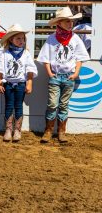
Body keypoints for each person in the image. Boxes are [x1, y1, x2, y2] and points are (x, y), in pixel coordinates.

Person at [37, 7, 89, 143]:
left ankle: (61, 131)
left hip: (68, 76)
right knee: (53, 104)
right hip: (56, 75)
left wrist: (76, 73)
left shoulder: (75, 38)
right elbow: (45, 58)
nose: (70, 23)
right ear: (59, 23)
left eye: (71, 21)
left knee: (64, 104)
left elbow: (80, 58)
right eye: (66, 21)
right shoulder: (52, 39)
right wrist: (50, 73)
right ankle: (48, 130)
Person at [0, 24, 38, 142]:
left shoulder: (26, 53)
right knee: (9, 105)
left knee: (18, 106)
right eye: (18, 38)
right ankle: (8, 129)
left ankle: (17, 130)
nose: (21, 41)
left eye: (23, 38)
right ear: (11, 39)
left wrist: (29, 83)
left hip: (20, 84)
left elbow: (30, 69)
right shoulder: (5, 53)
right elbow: (0, 69)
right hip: (8, 84)